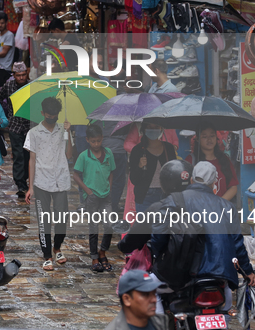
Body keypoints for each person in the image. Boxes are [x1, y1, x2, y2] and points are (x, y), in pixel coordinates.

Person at [151, 161, 255, 312]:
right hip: (220, 274)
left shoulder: (175, 200)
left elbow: (159, 234)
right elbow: (237, 244)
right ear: (214, 182)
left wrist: (157, 254)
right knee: (225, 305)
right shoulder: (227, 206)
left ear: (191, 179)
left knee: (147, 288)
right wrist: (247, 271)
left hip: (184, 273)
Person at [24, 97, 73, 271]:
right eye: (49, 115)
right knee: (43, 221)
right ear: (43, 113)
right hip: (41, 182)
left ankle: (57, 247)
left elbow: (69, 155)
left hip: (61, 180)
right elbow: (32, 160)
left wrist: (69, 133)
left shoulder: (63, 129)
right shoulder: (34, 133)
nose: (52, 118)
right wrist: (30, 187)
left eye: (55, 115)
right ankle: (47, 255)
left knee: (61, 219)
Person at [73, 124, 116, 273]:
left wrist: (109, 187)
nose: (96, 144)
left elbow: (111, 171)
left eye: (98, 141)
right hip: (91, 197)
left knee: (109, 224)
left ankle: (103, 252)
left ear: (102, 139)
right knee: (94, 227)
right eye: (93, 141)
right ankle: (94, 257)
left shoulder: (109, 153)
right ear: (87, 140)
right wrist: (88, 191)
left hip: (106, 196)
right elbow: (76, 174)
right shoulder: (84, 156)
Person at [0, 62, 31, 197]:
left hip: (29, 126)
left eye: (23, 75)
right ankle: (20, 183)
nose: (21, 78)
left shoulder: (31, 86)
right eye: (18, 75)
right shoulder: (9, 86)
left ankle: (26, 179)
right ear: (13, 75)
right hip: (15, 125)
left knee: (28, 156)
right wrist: (3, 115)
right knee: (18, 155)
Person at [129, 123, 177, 213]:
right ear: (144, 129)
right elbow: (134, 179)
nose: (153, 130)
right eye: (149, 127)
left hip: (166, 196)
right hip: (145, 197)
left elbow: (174, 173)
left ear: (161, 129)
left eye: (156, 127)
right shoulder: (137, 150)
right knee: (145, 226)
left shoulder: (168, 148)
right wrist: (139, 166)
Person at [185, 126, 238, 201]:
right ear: (197, 139)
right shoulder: (191, 160)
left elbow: (233, 187)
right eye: (204, 137)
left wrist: (219, 203)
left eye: (212, 136)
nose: (209, 139)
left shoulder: (224, 159)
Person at [105, 270, 170, 330]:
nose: (154, 300)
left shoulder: (160, 321)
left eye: (154, 293)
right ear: (126, 299)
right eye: (145, 295)